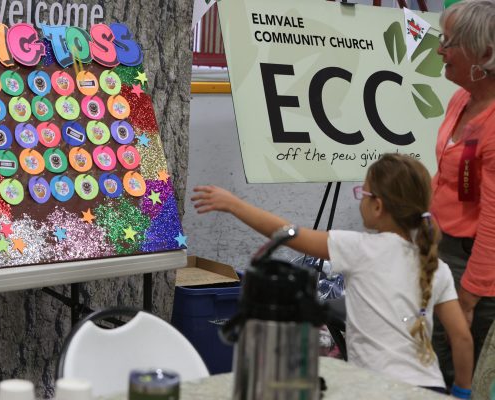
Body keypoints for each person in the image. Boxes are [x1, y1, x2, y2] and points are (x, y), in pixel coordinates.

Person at [192, 154, 473, 396]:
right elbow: (462, 338)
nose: (360, 201)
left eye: (363, 194)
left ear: (377, 206)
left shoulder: (359, 248)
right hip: (430, 389)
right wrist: (462, 392)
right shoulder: (436, 266)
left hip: (377, 388)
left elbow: (289, 234)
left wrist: (234, 204)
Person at [430, 0, 495, 388]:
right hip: (445, 247)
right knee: (435, 355)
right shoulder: (462, 99)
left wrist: (469, 296)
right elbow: (447, 177)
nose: (440, 50)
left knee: (456, 370)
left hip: (475, 264)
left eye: (448, 42)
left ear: (484, 54)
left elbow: (493, 223)